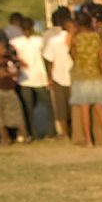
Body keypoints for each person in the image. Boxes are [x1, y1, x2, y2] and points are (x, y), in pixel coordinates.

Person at [69, 10, 102, 148]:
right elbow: (101, 60)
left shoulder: (76, 39)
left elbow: (73, 56)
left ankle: (89, 140)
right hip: (96, 75)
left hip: (81, 77)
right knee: (100, 109)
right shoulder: (96, 37)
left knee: (85, 110)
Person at [11, 16, 50, 139]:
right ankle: (32, 133)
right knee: (28, 108)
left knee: (45, 105)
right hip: (25, 79)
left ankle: (48, 131)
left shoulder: (38, 41)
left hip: (38, 77)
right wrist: (18, 61)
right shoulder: (17, 42)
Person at [0, 37, 26, 144]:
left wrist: (7, 73)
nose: (3, 49)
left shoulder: (9, 62)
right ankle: (5, 138)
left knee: (17, 113)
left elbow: (17, 73)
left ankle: (24, 135)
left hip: (10, 90)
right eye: (0, 48)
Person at [42, 7, 74, 139]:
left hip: (58, 75)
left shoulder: (51, 38)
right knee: (70, 105)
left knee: (61, 106)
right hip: (71, 75)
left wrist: (49, 76)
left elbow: (48, 59)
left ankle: (65, 132)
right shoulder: (70, 38)